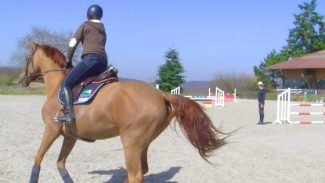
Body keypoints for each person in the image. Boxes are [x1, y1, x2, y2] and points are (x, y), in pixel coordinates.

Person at [57, 4, 108, 123]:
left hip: (90, 59)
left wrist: (68, 59)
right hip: (103, 61)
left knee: (66, 83)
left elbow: (73, 43)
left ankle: (69, 114)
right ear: (100, 16)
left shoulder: (85, 26)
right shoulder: (103, 31)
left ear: (87, 15)